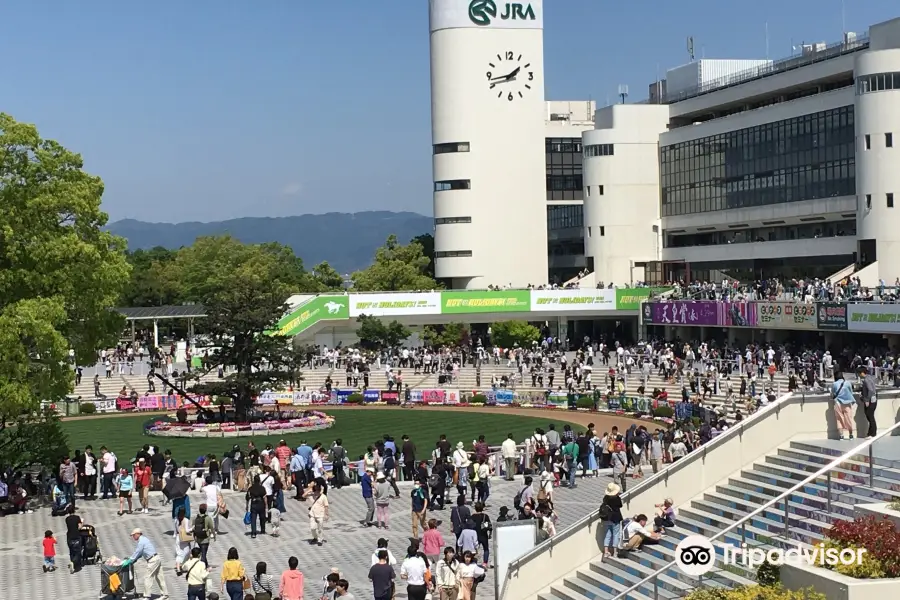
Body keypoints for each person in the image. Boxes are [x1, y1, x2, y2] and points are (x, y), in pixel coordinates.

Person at [126, 528, 169, 600]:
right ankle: (165, 595)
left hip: (152, 560)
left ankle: (146, 596)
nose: (133, 537)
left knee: (147, 577)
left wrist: (130, 560)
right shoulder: (144, 539)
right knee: (160, 577)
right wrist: (134, 560)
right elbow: (140, 553)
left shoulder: (141, 542)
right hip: (157, 558)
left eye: (133, 535)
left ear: (138, 534)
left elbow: (137, 552)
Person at [600, 483, 624, 558]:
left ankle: (606, 551)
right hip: (615, 518)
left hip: (606, 518)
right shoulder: (616, 498)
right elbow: (620, 505)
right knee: (616, 534)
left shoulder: (606, 498)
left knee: (607, 535)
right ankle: (615, 552)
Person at [832, 370, 857, 440]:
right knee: (848, 418)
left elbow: (833, 394)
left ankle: (841, 436)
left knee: (839, 419)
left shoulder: (834, 384)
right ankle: (851, 435)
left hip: (838, 403)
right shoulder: (848, 383)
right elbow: (851, 392)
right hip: (847, 402)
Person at [305, 481, 330, 546]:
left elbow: (326, 506)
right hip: (312, 514)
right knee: (312, 528)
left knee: (320, 528)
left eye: (318, 491)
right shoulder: (313, 495)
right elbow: (304, 495)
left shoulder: (323, 497)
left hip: (320, 514)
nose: (317, 492)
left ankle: (320, 539)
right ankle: (315, 537)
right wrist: (309, 490)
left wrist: (326, 514)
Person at [859, 366, 878, 438]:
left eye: (859, 373)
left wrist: (867, 400)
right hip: (873, 400)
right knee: (870, 416)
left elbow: (870, 390)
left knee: (870, 416)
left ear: (862, 373)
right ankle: (870, 432)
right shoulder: (870, 378)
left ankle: (872, 433)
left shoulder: (867, 380)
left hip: (870, 401)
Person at [64, 505, 83, 574]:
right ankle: (73, 563)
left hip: (69, 537)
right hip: (76, 536)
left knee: (71, 551)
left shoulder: (67, 519)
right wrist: (82, 522)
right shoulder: (77, 517)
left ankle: (73, 564)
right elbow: (80, 527)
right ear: (74, 511)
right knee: (78, 552)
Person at [174, 506, 193, 573]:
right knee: (187, 552)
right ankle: (185, 566)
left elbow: (175, 530)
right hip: (184, 538)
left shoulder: (176, 519)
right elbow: (187, 530)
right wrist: (192, 529)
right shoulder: (186, 520)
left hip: (178, 538)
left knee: (179, 553)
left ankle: (178, 567)